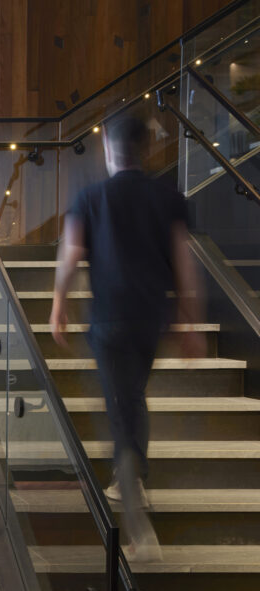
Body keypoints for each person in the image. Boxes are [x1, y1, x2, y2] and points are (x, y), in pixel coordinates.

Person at [50, 115, 204, 562]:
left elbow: (70, 254)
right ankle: (129, 478)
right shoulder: (168, 198)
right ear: (145, 149)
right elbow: (184, 261)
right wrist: (188, 319)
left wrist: (59, 303)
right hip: (149, 320)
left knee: (120, 407)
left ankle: (139, 524)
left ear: (108, 150)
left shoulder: (91, 197)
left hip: (109, 320)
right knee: (132, 396)